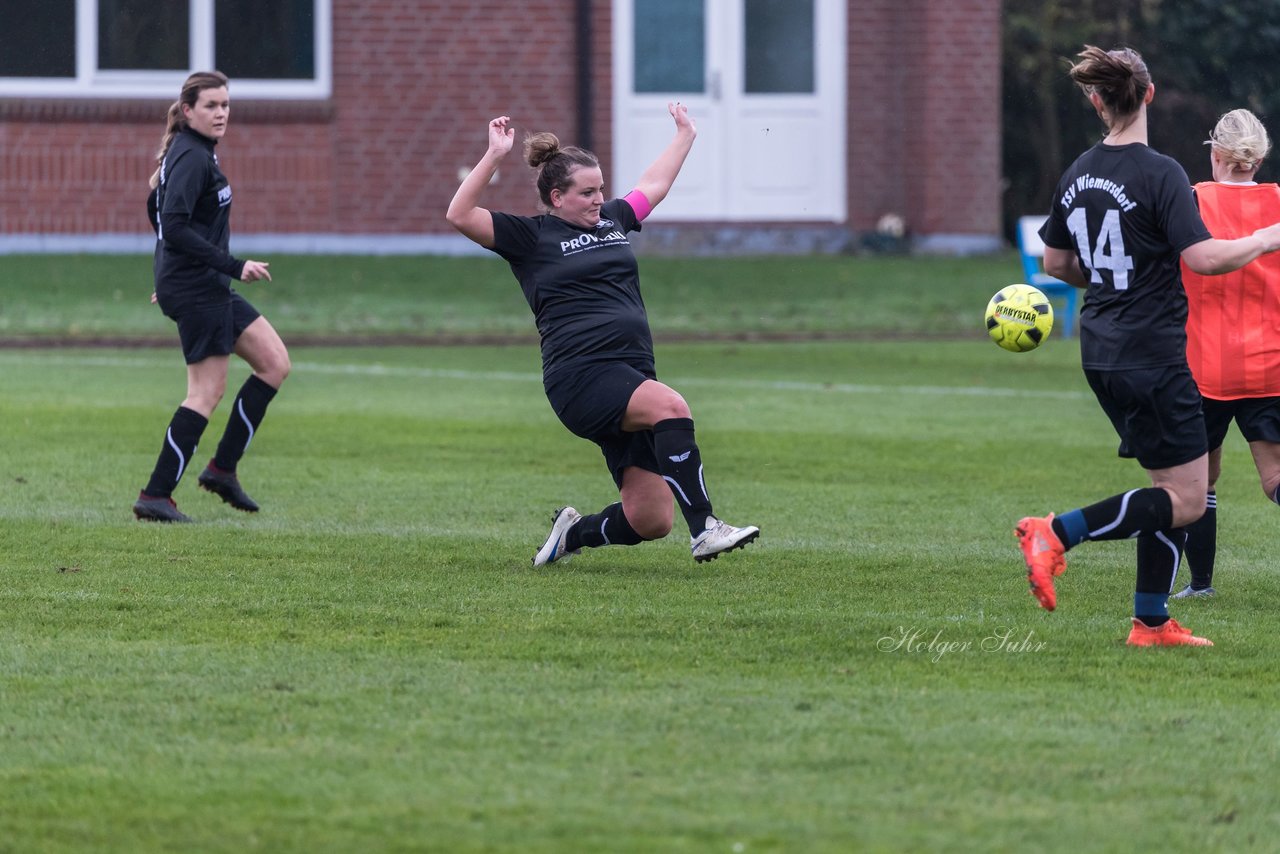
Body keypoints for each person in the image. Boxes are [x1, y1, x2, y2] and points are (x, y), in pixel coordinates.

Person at [1014, 46, 1280, 646]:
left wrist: (1111, 277)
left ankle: (1151, 621)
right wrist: (1266, 237)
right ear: (1150, 95)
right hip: (1154, 351)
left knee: (1172, 486)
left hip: (1100, 345)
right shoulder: (1160, 173)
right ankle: (1056, 533)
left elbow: (1057, 261)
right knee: (1185, 500)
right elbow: (1204, 259)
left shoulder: (1077, 171)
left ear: (1096, 99)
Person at [445, 103, 759, 565]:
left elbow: (653, 186)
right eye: (587, 192)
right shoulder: (529, 239)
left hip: (630, 373)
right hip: (582, 378)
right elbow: (459, 213)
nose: (598, 199)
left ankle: (570, 537)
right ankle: (707, 529)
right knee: (671, 406)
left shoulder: (612, 220)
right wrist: (494, 156)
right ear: (556, 197)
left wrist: (685, 136)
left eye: (601, 190)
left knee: (650, 519)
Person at [133, 70, 290, 523]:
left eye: (225, 105)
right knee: (205, 393)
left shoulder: (197, 152)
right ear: (188, 111)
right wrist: (232, 265)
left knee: (275, 363)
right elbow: (174, 223)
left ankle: (222, 470)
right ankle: (155, 496)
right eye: (211, 106)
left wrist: (169, 273)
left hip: (200, 284)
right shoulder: (191, 157)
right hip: (202, 288)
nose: (221, 113)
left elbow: (157, 212)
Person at [1177, 109, 1280, 598]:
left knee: (1202, 482)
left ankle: (1200, 585)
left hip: (1205, 365)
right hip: (1271, 363)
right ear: (1259, 159)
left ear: (1215, 153)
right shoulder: (1279, 202)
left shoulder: (1191, 201)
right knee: (1275, 476)